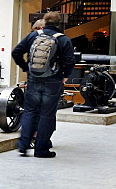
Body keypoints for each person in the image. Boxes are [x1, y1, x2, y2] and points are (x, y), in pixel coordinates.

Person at [11, 11, 76, 158]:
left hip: (34, 79)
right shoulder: (64, 39)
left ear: (44, 22)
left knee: (29, 112)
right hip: (53, 81)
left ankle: (23, 146)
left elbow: (16, 52)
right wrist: (65, 75)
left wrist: (26, 68)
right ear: (59, 24)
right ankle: (41, 149)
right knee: (47, 115)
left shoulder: (34, 36)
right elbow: (70, 61)